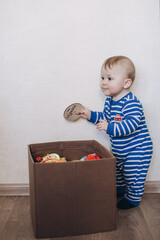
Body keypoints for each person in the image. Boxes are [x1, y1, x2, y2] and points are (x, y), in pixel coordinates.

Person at [80, 56, 153, 209]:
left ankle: (133, 198)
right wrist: (91, 115)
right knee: (117, 171)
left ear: (126, 83)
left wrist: (110, 127)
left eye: (110, 78)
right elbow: (106, 118)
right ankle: (120, 189)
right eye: (102, 78)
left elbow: (131, 124)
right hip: (120, 149)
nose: (103, 82)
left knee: (133, 175)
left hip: (137, 149)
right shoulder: (110, 101)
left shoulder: (131, 103)